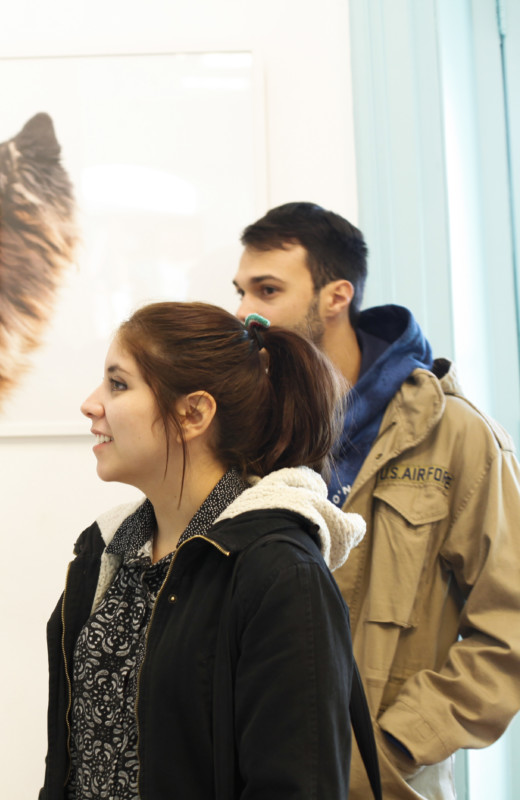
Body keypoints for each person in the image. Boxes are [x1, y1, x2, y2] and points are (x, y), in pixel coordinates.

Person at [234, 201, 520, 800]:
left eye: (267, 290)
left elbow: (510, 630)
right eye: (241, 292)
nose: (244, 314)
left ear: (335, 297)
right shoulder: (247, 436)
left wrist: (387, 748)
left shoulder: (458, 436)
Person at [40, 301, 379, 800]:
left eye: (118, 384)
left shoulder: (281, 573)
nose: (91, 405)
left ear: (193, 413)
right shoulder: (106, 555)